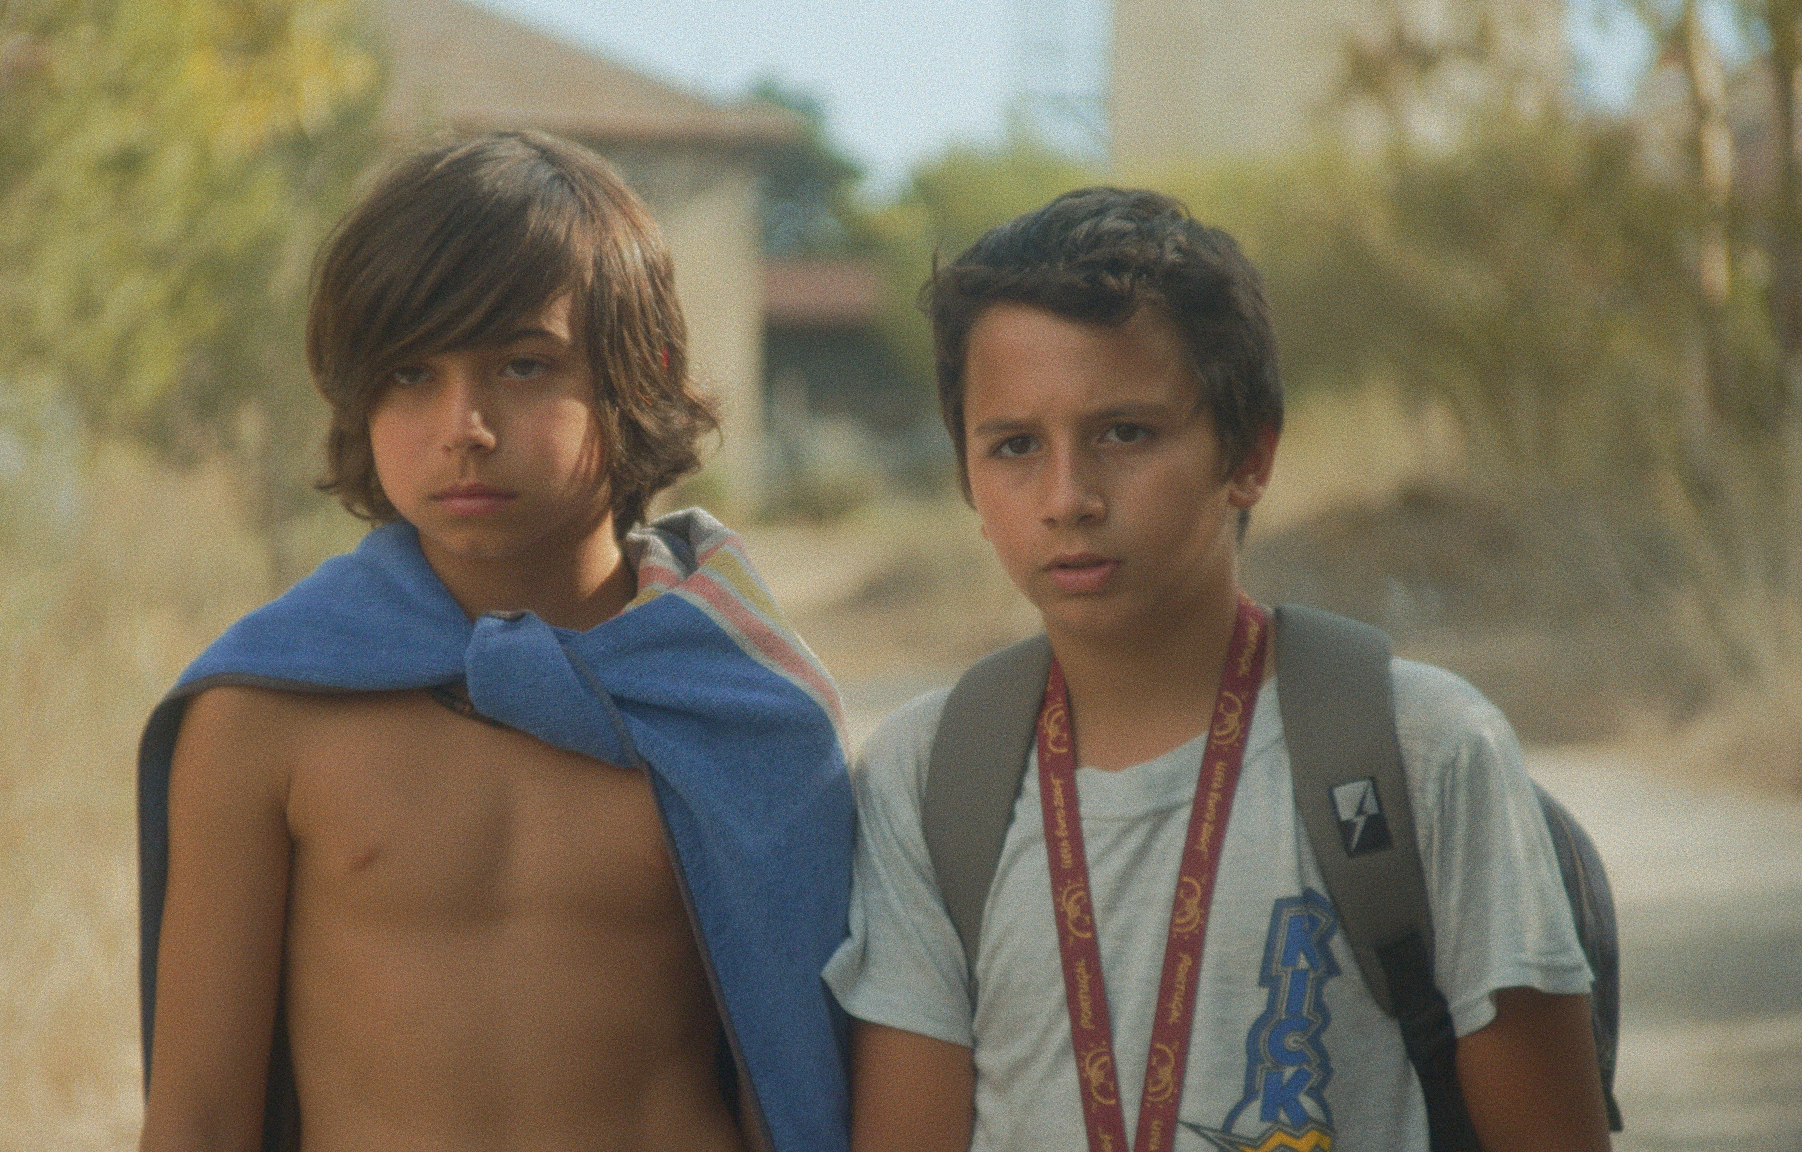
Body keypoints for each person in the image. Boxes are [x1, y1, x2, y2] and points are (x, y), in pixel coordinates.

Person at [822, 187, 1613, 1152]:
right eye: (1015, 445)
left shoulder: (1425, 750)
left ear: (1248, 455)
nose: (1068, 497)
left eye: (1125, 433)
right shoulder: (928, 776)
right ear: (967, 482)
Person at [137, 131, 853, 1152]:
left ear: (640, 372)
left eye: (523, 365)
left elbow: (799, 1080)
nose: (463, 425)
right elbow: (200, 1119)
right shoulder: (265, 713)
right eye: (409, 373)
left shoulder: (740, 706)